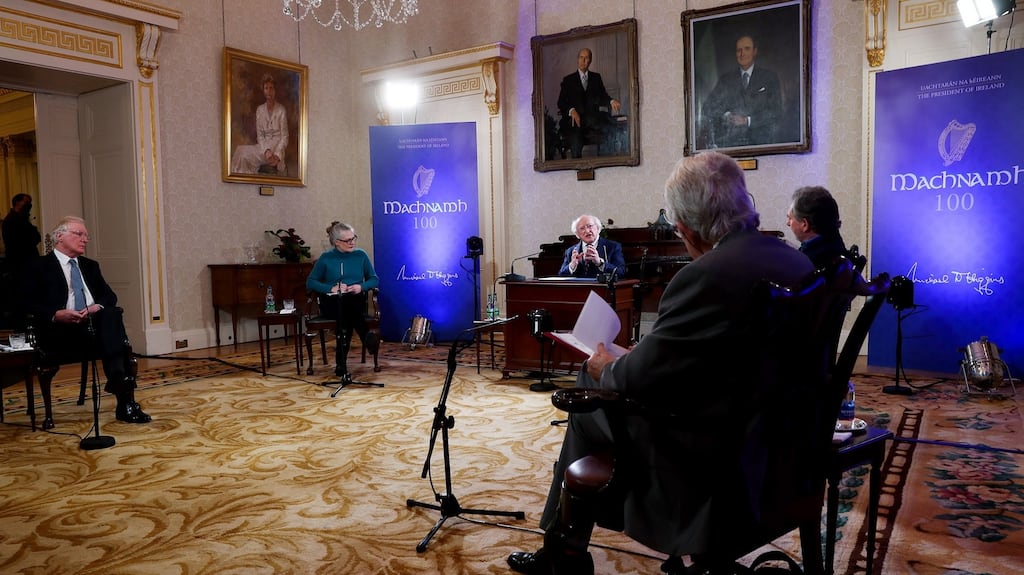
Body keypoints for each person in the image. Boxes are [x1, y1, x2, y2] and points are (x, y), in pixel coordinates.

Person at [506, 152, 814, 575]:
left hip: (707, 447)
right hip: (783, 434)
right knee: (608, 375)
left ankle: (564, 552)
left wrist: (608, 366)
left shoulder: (708, 273)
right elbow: (720, 353)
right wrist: (643, 357)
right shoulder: (795, 260)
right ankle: (565, 549)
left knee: (586, 394)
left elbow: (636, 382)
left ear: (685, 226)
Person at [21, 216, 151, 423]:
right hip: (59, 331)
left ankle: (124, 400)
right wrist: (56, 314)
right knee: (113, 327)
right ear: (59, 237)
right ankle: (123, 390)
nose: (85, 239)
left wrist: (94, 308)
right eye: (79, 234)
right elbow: (25, 303)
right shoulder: (38, 266)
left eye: (86, 236)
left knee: (110, 312)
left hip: (94, 326)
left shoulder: (90, 266)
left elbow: (109, 297)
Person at [306, 221, 380, 381]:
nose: (352, 242)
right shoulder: (326, 258)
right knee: (345, 309)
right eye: (348, 240)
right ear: (337, 242)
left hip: (354, 299)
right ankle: (366, 336)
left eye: (354, 238)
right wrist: (330, 288)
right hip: (332, 302)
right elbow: (310, 282)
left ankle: (341, 364)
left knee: (347, 312)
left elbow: (374, 280)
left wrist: (360, 287)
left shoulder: (361, 255)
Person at [702, 34, 783, 148]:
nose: (742, 53)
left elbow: (776, 111)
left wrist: (747, 121)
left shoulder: (769, 77)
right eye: (738, 50)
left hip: (763, 144)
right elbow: (707, 107)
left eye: (747, 49)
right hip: (732, 145)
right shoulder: (726, 80)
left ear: (755, 51)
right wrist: (726, 115)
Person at [556, 48, 621, 159]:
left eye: (586, 58)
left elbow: (602, 96)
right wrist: (571, 110)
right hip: (574, 122)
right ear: (578, 59)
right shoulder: (568, 80)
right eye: (581, 57)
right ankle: (578, 168)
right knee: (575, 138)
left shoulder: (596, 78)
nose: (583, 60)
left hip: (592, 119)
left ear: (590, 61)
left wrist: (611, 101)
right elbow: (561, 102)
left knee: (611, 130)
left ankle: (610, 163)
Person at [230, 73, 289, 175]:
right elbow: (260, 136)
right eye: (266, 88)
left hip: (276, 148)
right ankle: (238, 179)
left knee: (243, 154)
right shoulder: (260, 110)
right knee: (240, 150)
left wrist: (277, 155)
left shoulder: (281, 110)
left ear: (275, 90)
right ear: (263, 90)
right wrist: (266, 150)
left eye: (271, 88)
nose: (269, 91)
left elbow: (285, 137)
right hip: (263, 147)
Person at [786, 185, 850, 269]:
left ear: (804, 224)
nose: (787, 223)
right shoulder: (835, 244)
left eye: (790, 218)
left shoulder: (805, 263)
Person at [557, 215, 626, 279]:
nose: (587, 231)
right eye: (582, 228)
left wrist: (600, 263)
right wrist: (572, 265)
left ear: (598, 228)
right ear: (577, 234)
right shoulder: (571, 251)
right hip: (580, 290)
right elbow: (561, 276)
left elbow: (621, 272)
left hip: (603, 290)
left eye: (590, 226)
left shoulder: (612, 247)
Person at [2, 193, 42, 271]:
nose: (29, 205)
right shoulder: (11, 220)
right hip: (20, 263)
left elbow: (35, 238)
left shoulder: (23, 218)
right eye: (26, 202)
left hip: (28, 261)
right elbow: (20, 242)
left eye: (30, 203)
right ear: (17, 202)